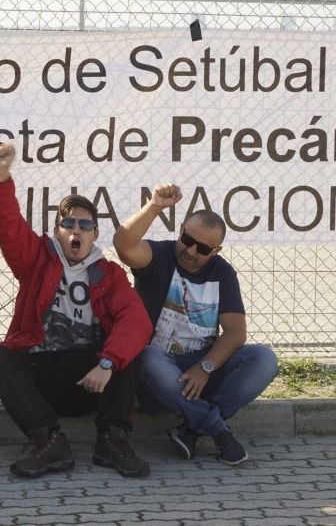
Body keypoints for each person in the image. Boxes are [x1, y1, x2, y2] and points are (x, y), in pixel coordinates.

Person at [0, 142, 153, 478]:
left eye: (85, 225)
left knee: (129, 350)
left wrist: (107, 362)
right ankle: (49, 441)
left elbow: (136, 320)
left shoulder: (109, 273)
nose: (76, 230)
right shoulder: (35, 259)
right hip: (43, 374)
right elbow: (8, 225)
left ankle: (113, 440)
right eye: (69, 224)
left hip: (92, 378)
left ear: (95, 234)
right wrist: (1, 177)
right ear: (57, 231)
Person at [112, 184, 278, 466]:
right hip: (159, 378)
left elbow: (236, 332)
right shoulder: (160, 256)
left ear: (216, 250)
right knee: (149, 356)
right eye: (187, 239)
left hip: (201, 372)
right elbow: (124, 245)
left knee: (264, 359)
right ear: (180, 232)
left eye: (202, 248)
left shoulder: (222, 273)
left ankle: (190, 428)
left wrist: (205, 367)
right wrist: (154, 207)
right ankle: (218, 431)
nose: (190, 250)